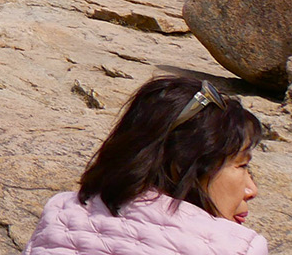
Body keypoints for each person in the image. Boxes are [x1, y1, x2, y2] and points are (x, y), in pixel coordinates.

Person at [23, 76, 265, 255]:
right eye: (241, 166)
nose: (251, 190)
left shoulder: (60, 212)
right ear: (182, 165)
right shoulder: (237, 248)